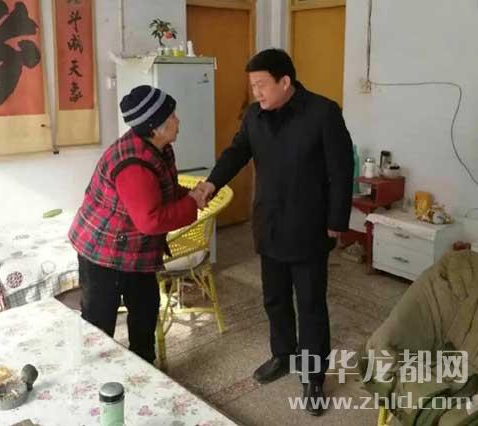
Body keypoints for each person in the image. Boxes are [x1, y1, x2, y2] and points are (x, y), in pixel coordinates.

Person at [198, 49, 353, 416]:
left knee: (311, 305)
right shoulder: (254, 117)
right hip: (269, 224)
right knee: (275, 298)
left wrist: (337, 221)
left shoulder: (323, 113)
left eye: (261, 85)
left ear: (285, 82)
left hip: (309, 226)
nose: (256, 93)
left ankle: (313, 377)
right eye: (253, 86)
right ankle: (282, 355)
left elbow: (341, 170)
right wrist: (211, 183)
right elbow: (236, 153)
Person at [69, 85, 206, 364]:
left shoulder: (159, 148)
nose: (178, 120)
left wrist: (190, 195)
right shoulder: (133, 164)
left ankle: (144, 371)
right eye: (172, 116)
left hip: (136, 250)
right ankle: (95, 377)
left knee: (145, 312)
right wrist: (192, 204)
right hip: (103, 252)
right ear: (155, 127)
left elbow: (163, 190)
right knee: (99, 324)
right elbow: (151, 220)